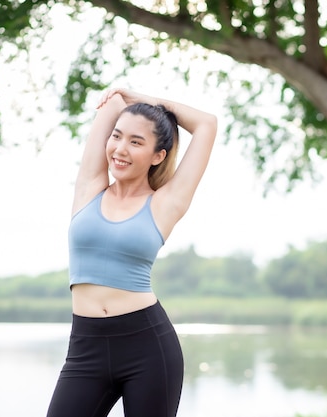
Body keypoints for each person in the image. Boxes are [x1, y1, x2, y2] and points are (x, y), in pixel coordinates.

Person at [46, 88, 218, 417]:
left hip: (148, 347)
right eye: (117, 137)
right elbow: (112, 101)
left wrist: (143, 98)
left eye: (136, 142)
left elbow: (206, 124)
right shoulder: (89, 187)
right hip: (85, 346)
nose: (120, 149)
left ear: (159, 155)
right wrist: (124, 98)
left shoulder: (165, 203)